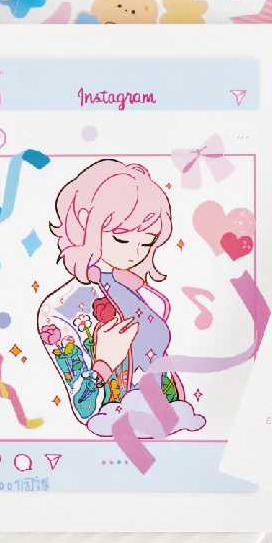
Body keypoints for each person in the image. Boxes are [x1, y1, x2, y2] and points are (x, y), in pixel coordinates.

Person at [38, 159, 184, 425]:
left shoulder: (141, 294)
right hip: (117, 426)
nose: (134, 254)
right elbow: (85, 410)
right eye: (121, 238)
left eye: (146, 242)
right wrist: (103, 364)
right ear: (85, 222)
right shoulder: (59, 310)